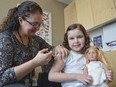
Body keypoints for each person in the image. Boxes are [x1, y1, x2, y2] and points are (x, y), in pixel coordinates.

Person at [0, 1, 68, 87]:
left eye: (40, 24)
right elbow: (2, 78)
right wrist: (35, 62)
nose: (38, 28)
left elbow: (50, 49)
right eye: (34, 24)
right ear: (21, 20)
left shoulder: (35, 39)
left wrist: (58, 48)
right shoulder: (5, 39)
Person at [48, 23, 113, 87]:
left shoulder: (90, 54)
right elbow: (51, 76)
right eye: (71, 38)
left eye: (79, 37)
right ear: (67, 40)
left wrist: (107, 76)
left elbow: (101, 74)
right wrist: (77, 76)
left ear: (85, 37)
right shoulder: (64, 54)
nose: (76, 41)